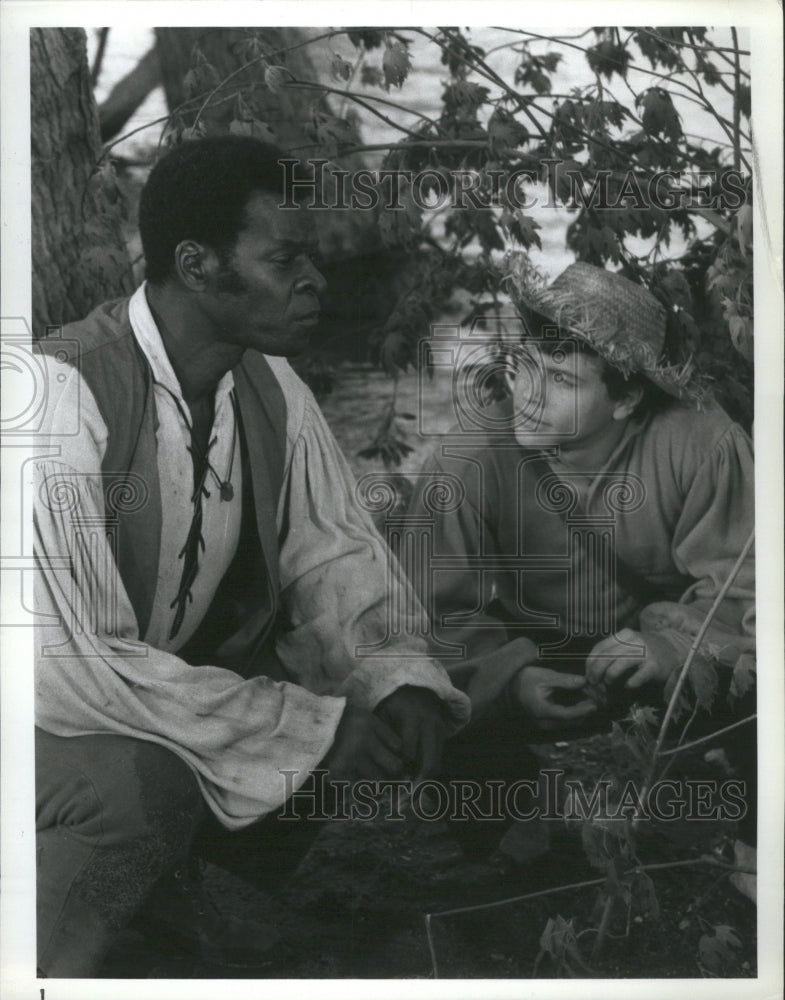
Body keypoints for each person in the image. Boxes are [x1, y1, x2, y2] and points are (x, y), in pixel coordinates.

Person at [33, 135, 470, 977]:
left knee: (359, 716)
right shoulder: (60, 393)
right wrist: (306, 729)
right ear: (196, 264)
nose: (316, 281)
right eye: (286, 258)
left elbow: (334, 555)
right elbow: (60, 666)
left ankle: (159, 911)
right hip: (36, 709)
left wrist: (396, 678)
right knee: (141, 791)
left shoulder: (270, 385)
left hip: (119, 696)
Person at [409, 261, 755, 878]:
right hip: (535, 646)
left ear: (626, 398)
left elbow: (751, 588)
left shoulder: (704, 444)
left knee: (765, 673)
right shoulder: (467, 460)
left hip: (658, 648)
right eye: (526, 369)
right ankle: (507, 830)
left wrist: (669, 647)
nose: (529, 396)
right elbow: (428, 612)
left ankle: (757, 846)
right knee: (425, 688)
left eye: (563, 381)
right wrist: (506, 676)